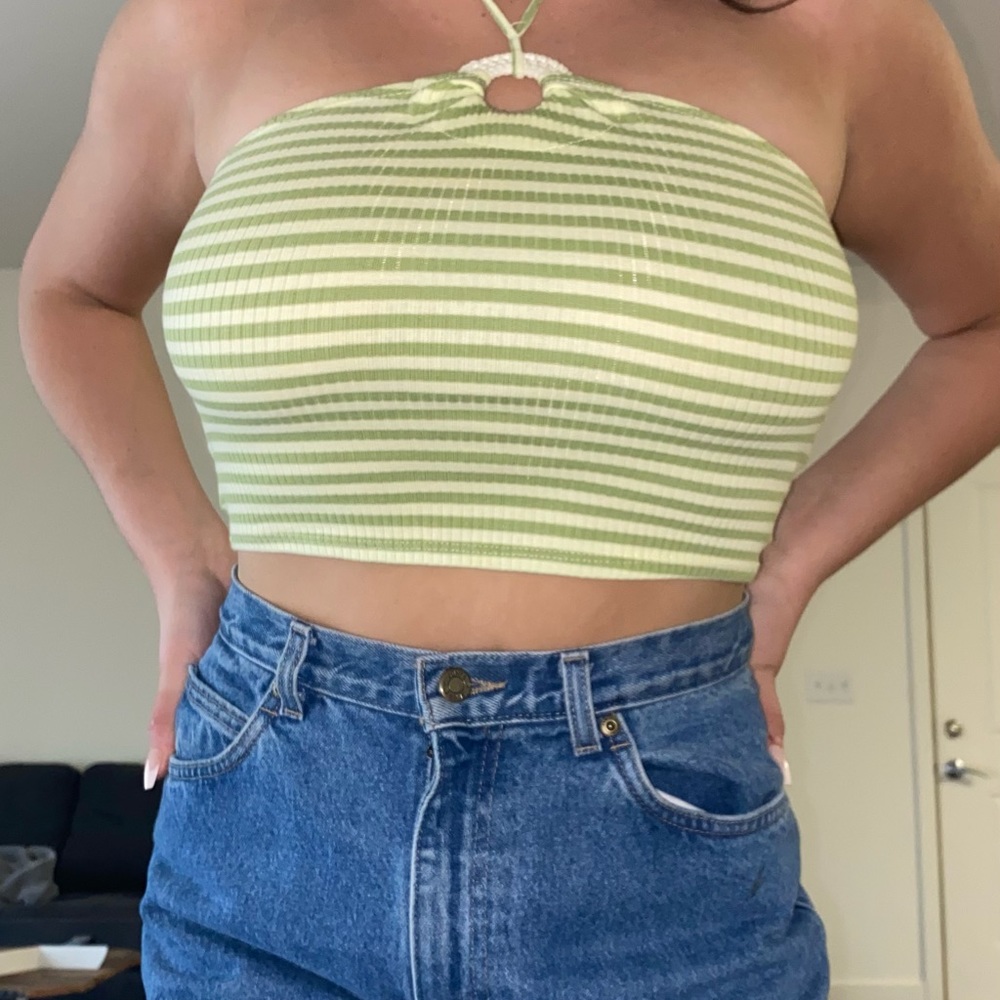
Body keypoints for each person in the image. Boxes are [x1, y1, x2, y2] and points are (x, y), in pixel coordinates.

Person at [17, 0, 1000, 996]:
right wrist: (182, 558)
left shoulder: (844, 30)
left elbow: (985, 323)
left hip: (662, 841)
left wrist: (789, 565)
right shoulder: (207, 21)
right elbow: (72, 293)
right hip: (273, 809)